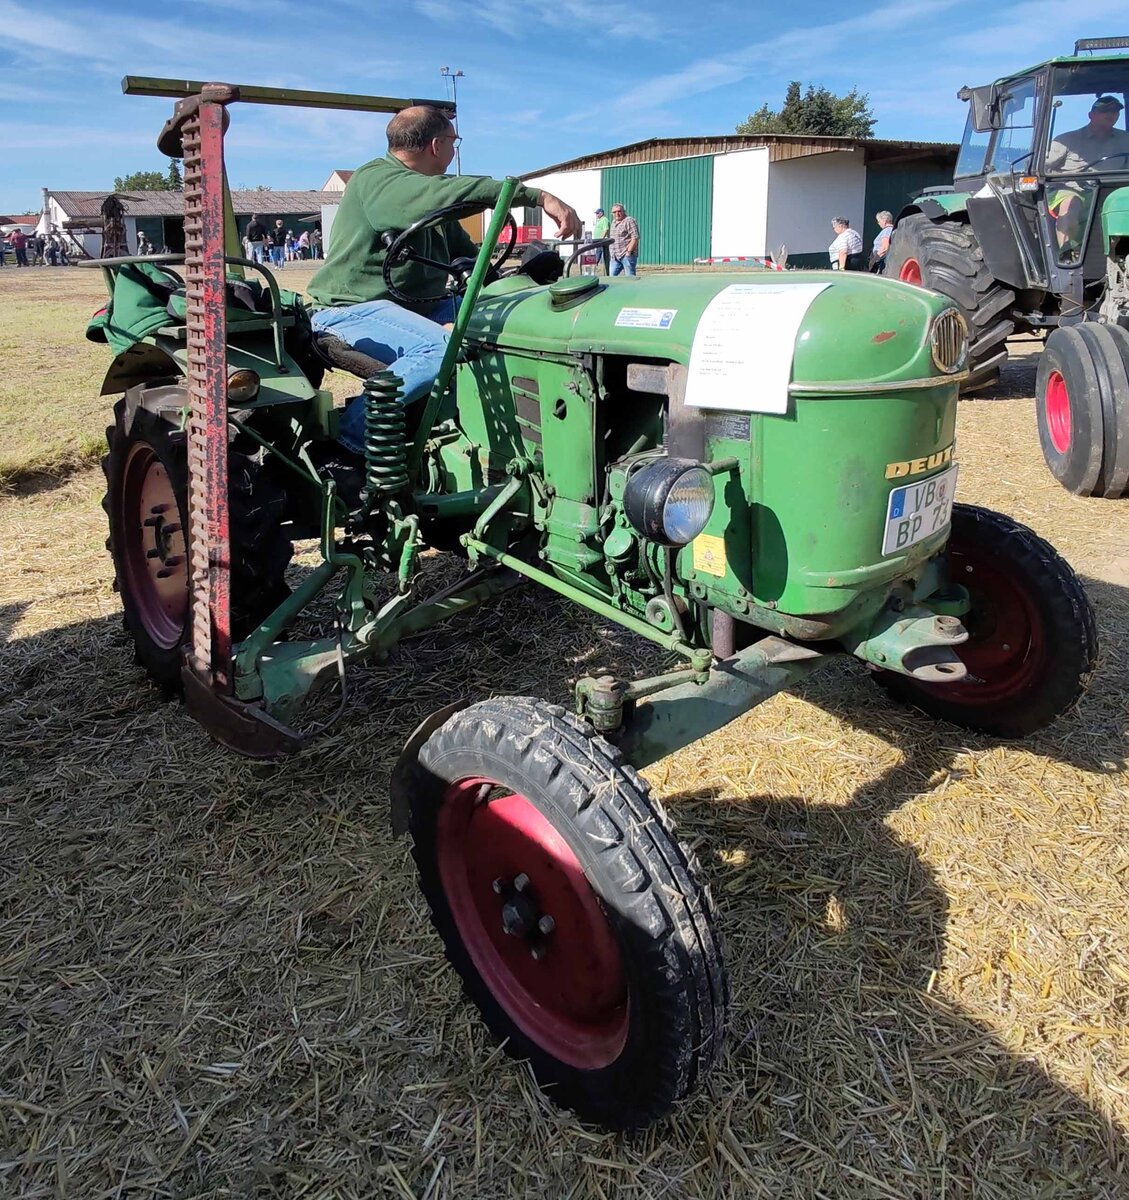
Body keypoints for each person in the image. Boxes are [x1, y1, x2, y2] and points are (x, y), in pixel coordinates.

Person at [307, 104, 580, 455]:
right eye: (455, 142)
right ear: (437, 145)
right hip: (350, 309)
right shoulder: (376, 179)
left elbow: (466, 258)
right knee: (440, 349)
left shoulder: (430, 200)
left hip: (416, 308)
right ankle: (349, 439)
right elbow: (443, 195)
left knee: (514, 320)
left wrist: (512, 283)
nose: (454, 150)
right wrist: (537, 196)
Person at [1046, 96, 1129, 256]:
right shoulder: (1067, 140)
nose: (1111, 114)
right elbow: (1042, 166)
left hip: (1113, 193)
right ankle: (1066, 253)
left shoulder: (1126, 139)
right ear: (1091, 115)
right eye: (1105, 111)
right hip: (1074, 190)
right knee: (1071, 204)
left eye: (1115, 111)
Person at [608, 203, 640, 276]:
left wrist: (628, 252)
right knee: (611, 279)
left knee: (630, 279)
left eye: (619, 211)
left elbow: (635, 237)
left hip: (626, 255)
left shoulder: (629, 220)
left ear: (624, 211)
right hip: (615, 256)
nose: (617, 213)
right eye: (614, 212)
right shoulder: (613, 222)